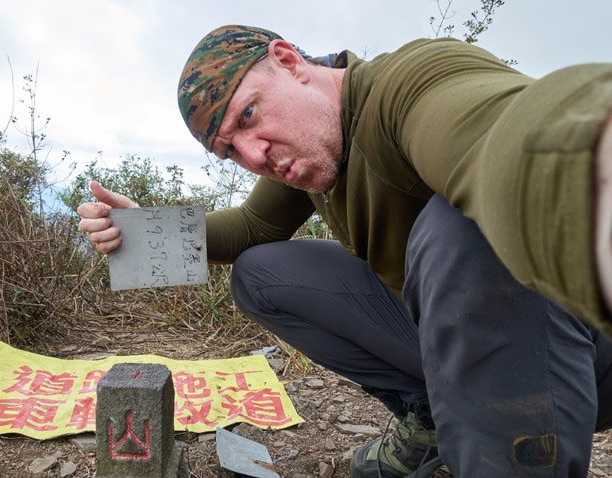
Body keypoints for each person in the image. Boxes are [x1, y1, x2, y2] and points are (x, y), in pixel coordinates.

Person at [77, 26, 612, 477]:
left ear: (288, 61)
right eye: (229, 153)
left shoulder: (408, 85)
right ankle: (432, 422)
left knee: (457, 229)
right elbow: (251, 228)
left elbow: (504, 139)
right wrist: (143, 231)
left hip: (578, 353)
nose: (254, 155)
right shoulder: (309, 150)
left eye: (248, 116)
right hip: (457, 347)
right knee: (260, 272)